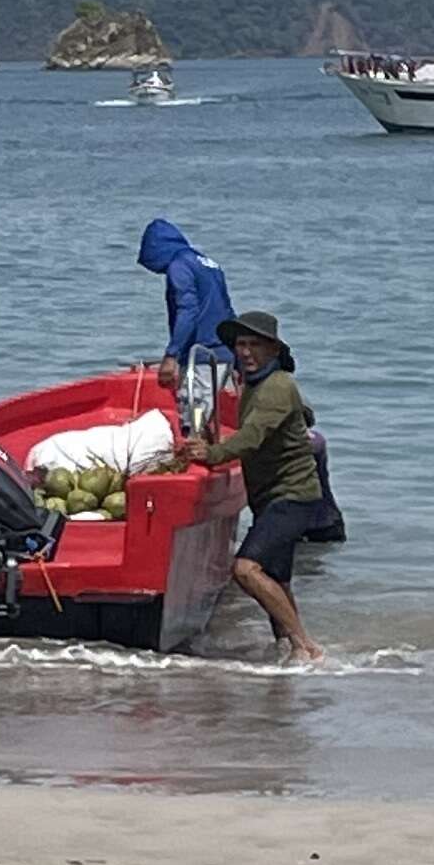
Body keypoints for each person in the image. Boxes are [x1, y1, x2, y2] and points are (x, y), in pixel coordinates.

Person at [186, 309, 328, 666]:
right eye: (240, 345)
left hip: (293, 496)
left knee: (246, 569)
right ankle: (288, 651)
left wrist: (212, 454)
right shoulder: (255, 384)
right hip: (270, 498)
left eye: (254, 345)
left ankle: (307, 646)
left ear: (273, 350)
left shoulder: (277, 386)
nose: (245, 352)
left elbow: (251, 436)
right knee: (277, 579)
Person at [137, 216, 237, 429]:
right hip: (223, 351)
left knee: (194, 409)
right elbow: (227, 309)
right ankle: (202, 434)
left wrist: (171, 354)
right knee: (206, 405)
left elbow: (188, 310)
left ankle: (193, 437)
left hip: (201, 352)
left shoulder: (179, 266)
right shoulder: (208, 264)